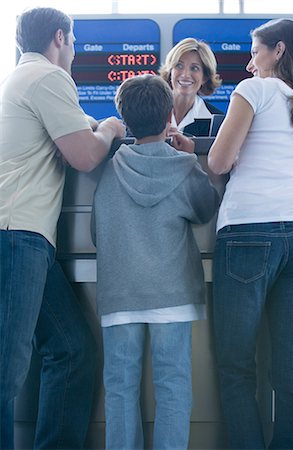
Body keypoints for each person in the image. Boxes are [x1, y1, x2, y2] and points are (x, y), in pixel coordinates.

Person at [0, 7, 125, 450]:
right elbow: (87, 156)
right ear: (60, 37)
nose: (73, 51)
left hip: (29, 240)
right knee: (6, 371)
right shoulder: (49, 78)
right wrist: (110, 126)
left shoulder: (20, 80)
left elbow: (69, 132)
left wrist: (92, 126)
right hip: (17, 236)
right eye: (72, 42)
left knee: (71, 349)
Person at [91, 74, 219, 450]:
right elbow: (204, 210)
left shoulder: (109, 169)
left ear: (123, 117)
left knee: (120, 388)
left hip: (120, 295)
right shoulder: (182, 167)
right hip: (173, 293)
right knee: (173, 386)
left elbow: (98, 232)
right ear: (169, 116)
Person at [207, 18, 293, 450]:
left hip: (247, 234)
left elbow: (218, 162)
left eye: (255, 53)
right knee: (290, 365)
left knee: (237, 366)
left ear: (279, 51)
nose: (250, 65)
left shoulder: (252, 90)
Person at [159, 37, 223, 137]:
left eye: (194, 68)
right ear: (170, 71)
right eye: (179, 66)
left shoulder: (217, 121)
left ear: (205, 77)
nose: (185, 75)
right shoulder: (148, 111)